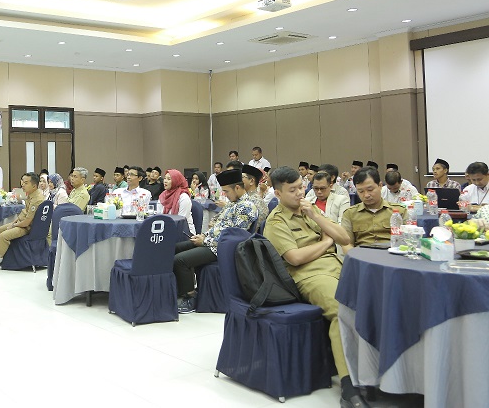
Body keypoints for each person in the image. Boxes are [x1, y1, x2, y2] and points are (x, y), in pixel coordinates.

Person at [262, 167, 364, 408]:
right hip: (309, 275)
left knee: (376, 297)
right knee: (341, 308)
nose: (300, 193)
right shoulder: (276, 221)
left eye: (301, 187)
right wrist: (326, 242)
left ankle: (378, 371)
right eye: (293, 190)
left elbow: (344, 238)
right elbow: (295, 258)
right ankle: (349, 384)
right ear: (278, 193)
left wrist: (317, 217)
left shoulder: (310, 209)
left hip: (338, 266)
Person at [174, 168, 258, 314]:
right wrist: (203, 236)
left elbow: (233, 237)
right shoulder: (232, 203)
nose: (225, 194)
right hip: (211, 241)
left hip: (222, 248)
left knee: (180, 260)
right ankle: (177, 290)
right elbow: (218, 226)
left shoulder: (247, 207)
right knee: (175, 248)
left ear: (237, 188)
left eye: (226, 191)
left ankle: (190, 297)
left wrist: (205, 241)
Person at [0, 172, 45, 270]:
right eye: (22, 182)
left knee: (3, 236)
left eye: (26, 183)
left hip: (29, 227)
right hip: (22, 222)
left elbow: (27, 222)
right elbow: (24, 213)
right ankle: (6, 256)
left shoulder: (36, 199)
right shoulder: (31, 194)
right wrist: (14, 223)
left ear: (34, 186)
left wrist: (13, 226)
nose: (22, 185)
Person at [341, 167, 408, 251]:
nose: (366, 195)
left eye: (370, 190)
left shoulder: (399, 211)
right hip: (362, 255)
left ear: (380, 186)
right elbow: (347, 244)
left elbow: (408, 241)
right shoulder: (350, 214)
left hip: (391, 254)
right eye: (361, 191)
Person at [159, 169, 195, 234]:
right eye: (165, 178)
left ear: (176, 181)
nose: (165, 181)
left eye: (169, 179)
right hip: (165, 230)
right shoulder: (163, 195)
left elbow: (181, 220)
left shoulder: (184, 197)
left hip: (184, 232)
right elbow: (159, 216)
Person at [240, 164, 269, 229]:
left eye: (242, 177)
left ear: (251, 181)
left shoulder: (256, 201)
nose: (238, 181)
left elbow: (253, 228)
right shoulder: (245, 197)